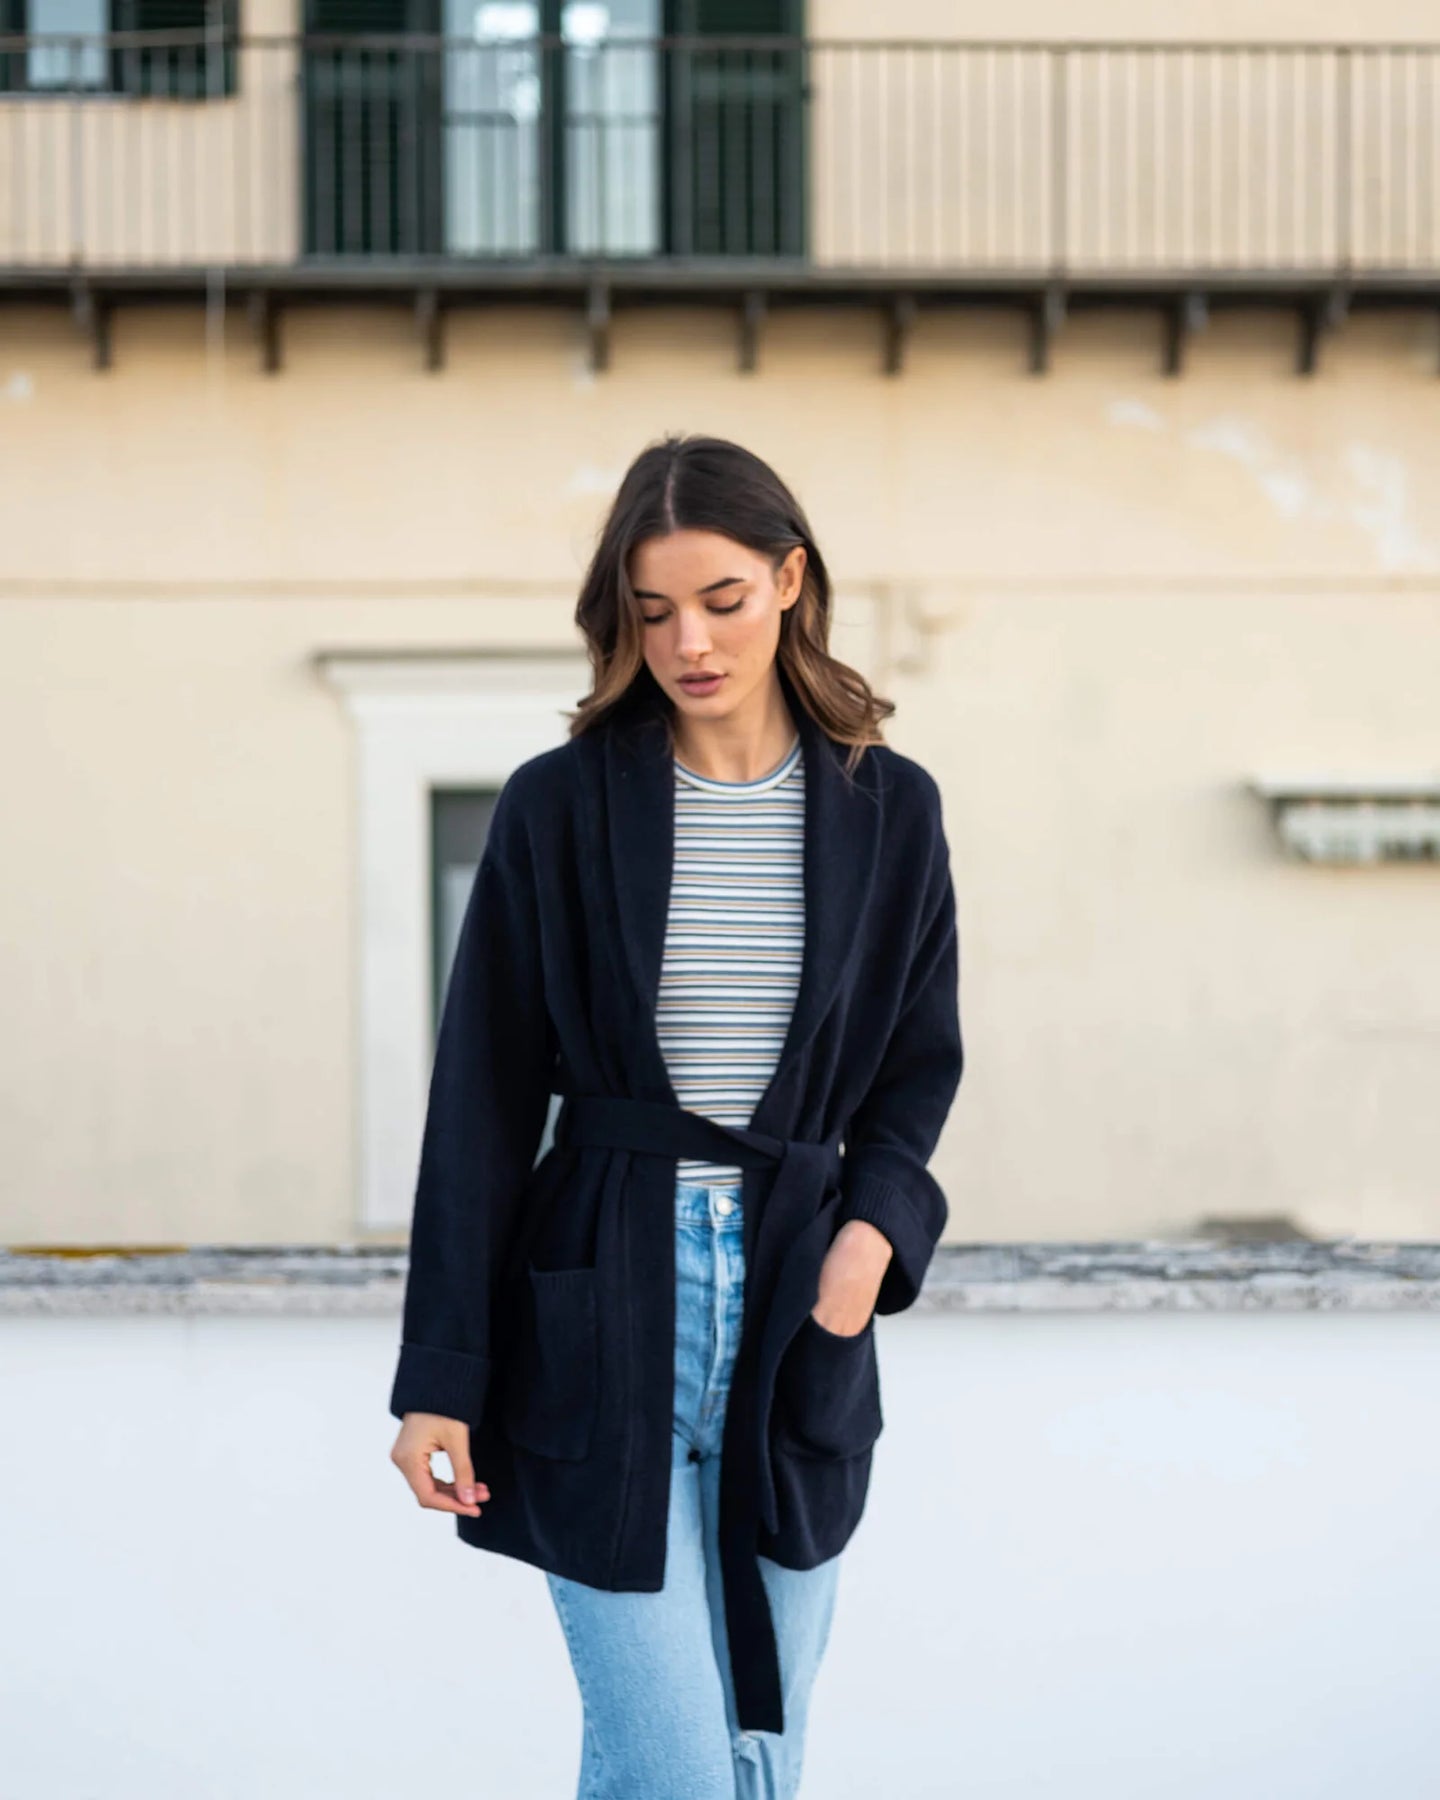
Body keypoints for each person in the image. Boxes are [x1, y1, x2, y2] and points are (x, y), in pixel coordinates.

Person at [388, 432, 964, 1799]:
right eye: (652, 614)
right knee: (683, 1776)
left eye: (721, 600)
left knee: (757, 1761)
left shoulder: (889, 809)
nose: (688, 644)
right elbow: (480, 1100)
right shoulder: (557, 807)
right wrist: (439, 1378)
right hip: (602, 1298)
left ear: (790, 581)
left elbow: (917, 1065)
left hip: (797, 1304)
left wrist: (872, 1240)